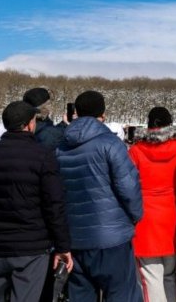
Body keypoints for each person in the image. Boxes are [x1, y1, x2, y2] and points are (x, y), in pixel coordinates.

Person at [0, 101, 72, 302]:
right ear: (30, 125)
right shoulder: (43, 156)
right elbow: (54, 205)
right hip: (32, 247)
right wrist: (63, 246)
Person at [56, 90, 143, 302]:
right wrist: (136, 215)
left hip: (75, 237)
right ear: (102, 113)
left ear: (76, 111)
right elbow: (129, 187)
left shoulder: (60, 148)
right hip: (111, 238)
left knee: (81, 294)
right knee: (122, 294)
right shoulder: (110, 144)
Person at [128, 106, 176, 301]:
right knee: (170, 276)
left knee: (150, 278)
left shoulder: (136, 151)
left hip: (145, 219)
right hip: (173, 216)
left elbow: (127, 185)